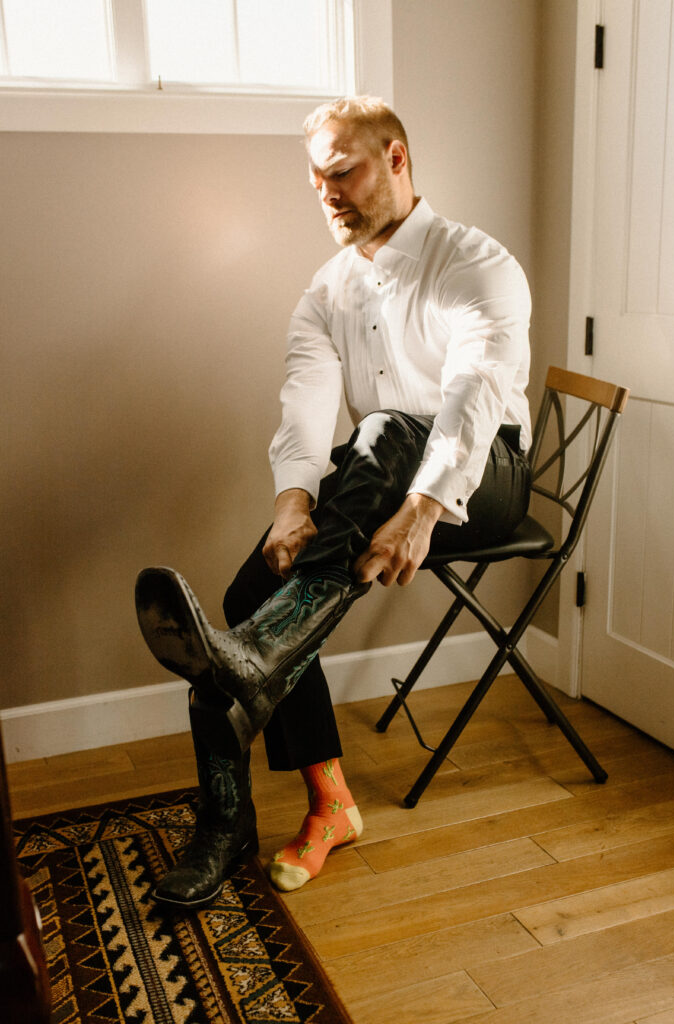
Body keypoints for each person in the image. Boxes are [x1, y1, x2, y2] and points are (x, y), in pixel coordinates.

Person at [135, 96, 532, 910]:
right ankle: (271, 813)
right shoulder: (325, 291)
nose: (327, 192)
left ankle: (263, 657)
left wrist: (423, 508)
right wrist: (290, 503)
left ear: (395, 159)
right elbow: (306, 404)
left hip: (481, 478)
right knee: (246, 606)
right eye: (316, 180)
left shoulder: (474, 261)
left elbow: (472, 391)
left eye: (342, 171)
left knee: (386, 429)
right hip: (375, 488)